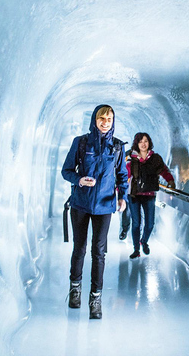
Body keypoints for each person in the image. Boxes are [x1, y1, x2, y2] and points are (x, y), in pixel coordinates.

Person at [61, 104, 128, 319]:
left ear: (113, 121)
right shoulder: (80, 143)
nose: (105, 122)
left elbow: (122, 176)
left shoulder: (117, 147)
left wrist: (122, 197)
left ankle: (95, 298)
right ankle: (75, 289)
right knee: (79, 248)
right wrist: (79, 179)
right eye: (102, 118)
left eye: (109, 118)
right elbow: (66, 171)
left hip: (104, 206)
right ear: (95, 119)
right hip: (81, 203)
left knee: (99, 251)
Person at [126, 132, 175, 259]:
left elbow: (164, 170)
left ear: (149, 143)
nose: (143, 144)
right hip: (134, 194)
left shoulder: (155, 158)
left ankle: (144, 241)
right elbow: (124, 173)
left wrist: (170, 180)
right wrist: (119, 188)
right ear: (136, 143)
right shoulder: (131, 157)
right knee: (136, 223)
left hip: (149, 194)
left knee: (150, 224)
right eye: (140, 141)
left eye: (146, 141)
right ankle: (136, 249)